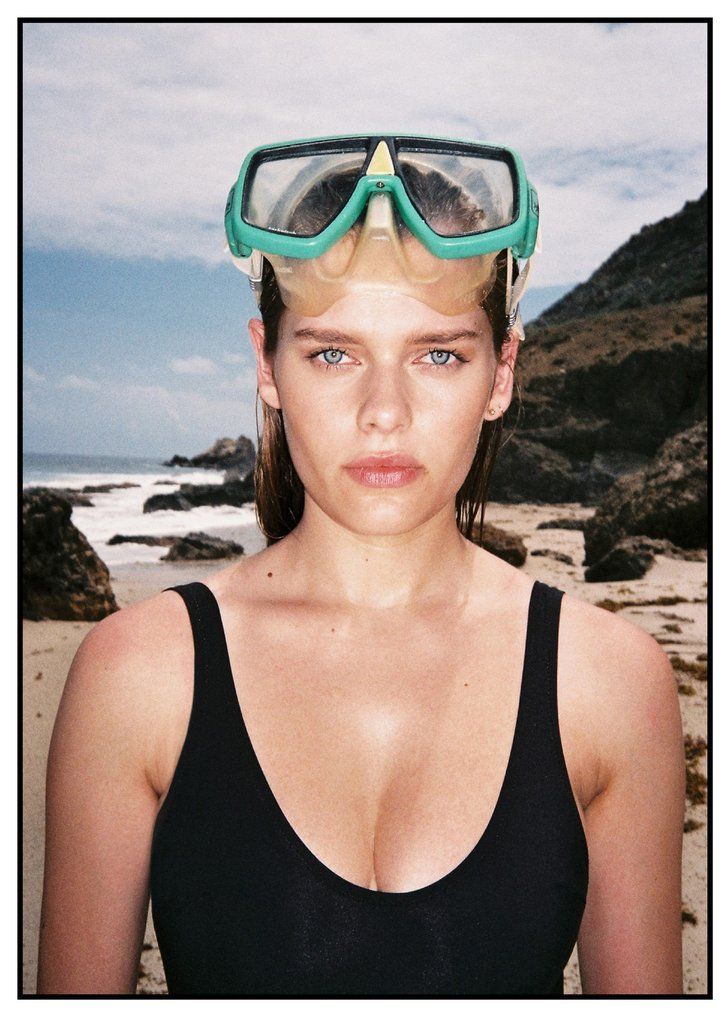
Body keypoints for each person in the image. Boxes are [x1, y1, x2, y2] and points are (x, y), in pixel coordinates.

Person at [36, 135, 686, 996]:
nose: (385, 411)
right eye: (333, 353)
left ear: (502, 374)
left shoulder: (609, 683)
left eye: (439, 354)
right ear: (267, 364)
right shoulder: (138, 676)